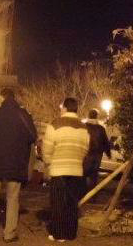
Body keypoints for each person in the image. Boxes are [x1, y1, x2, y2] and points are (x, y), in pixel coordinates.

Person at [0, 88, 37, 242]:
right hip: (16, 164)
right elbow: (33, 136)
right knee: (13, 199)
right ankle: (9, 233)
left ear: (1, 98)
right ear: (14, 98)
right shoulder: (24, 115)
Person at [42, 97, 90, 242]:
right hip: (76, 170)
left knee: (57, 202)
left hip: (58, 169)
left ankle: (58, 233)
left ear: (64, 108)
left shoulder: (55, 124)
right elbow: (85, 148)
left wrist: (48, 162)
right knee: (71, 203)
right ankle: (70, 233)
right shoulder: (83, 127)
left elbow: (47, 147)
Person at [83, 109, 111, 191]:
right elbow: (105, 142)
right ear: (96, 116)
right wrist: (108, 153)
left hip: (85, 154)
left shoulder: (83, 126)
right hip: (97, 155)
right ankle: (92, 194)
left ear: (88, 116)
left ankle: (82, 192)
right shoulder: (101, 129)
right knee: (93, 175)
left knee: (83, 173)